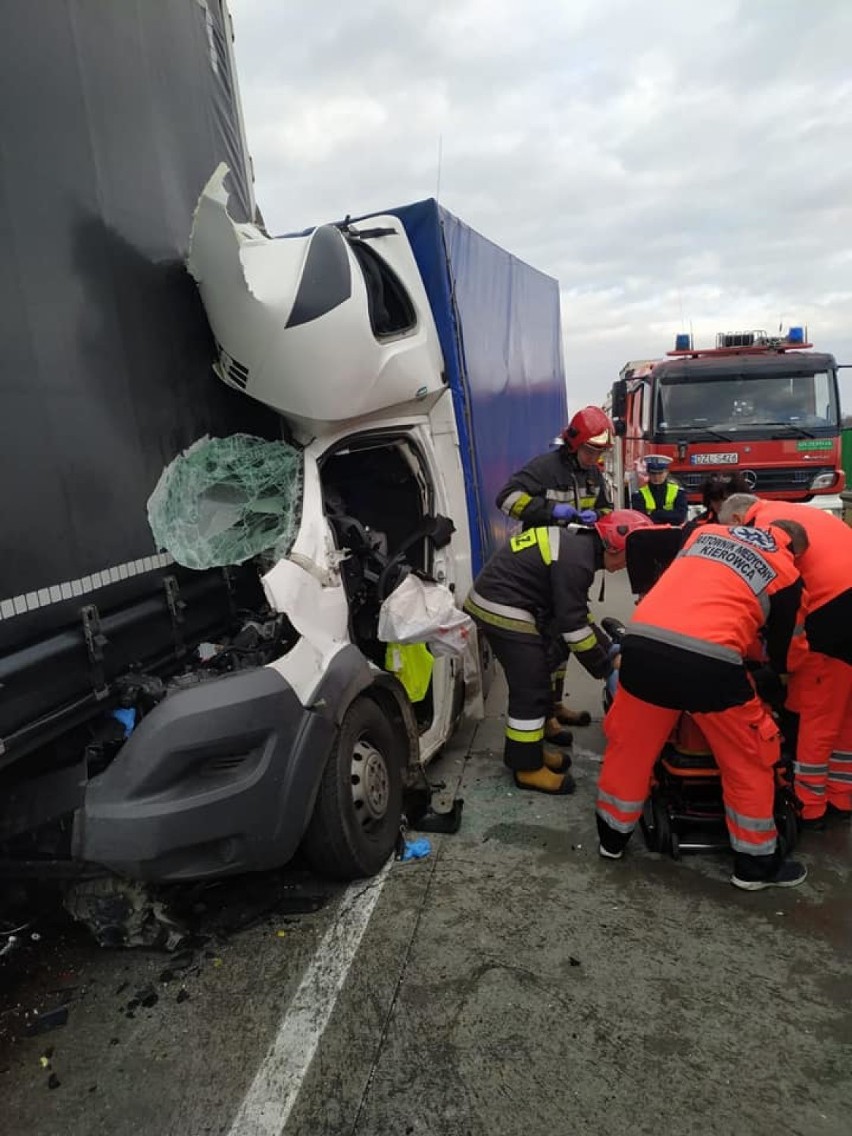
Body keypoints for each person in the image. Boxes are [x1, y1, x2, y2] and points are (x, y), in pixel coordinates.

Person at [596, 516, 811, 890]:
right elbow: (784, 654)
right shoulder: (785, 569)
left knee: (629, 747)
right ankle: (755, 867)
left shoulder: (706, 533)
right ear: (792, 548)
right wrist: (774, 677)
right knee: (749, 756)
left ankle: (611, 839)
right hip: (709, 663)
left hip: (642, 642)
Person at [464, 511, 653, 795]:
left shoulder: (579, 548)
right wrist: (607, 666)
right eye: (628, 557)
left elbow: (577, 613)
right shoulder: (578, 561)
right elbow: (574, 627)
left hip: (507, 598)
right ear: (614, 547)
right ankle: (526, 768)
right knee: (531, 684)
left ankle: (531, 751)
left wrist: (610, 648)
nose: (626, 566)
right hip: (500, 604)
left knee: (538, 675)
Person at [717, 493, 852, 829]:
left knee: (815, 714)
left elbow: (784, 605)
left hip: (833, 611)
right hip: (843, 601)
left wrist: (781, 666)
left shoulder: (763, 531)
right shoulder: (789, 511)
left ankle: (808, 805)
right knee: (844, 706)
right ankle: (841, 795)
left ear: (736, 520)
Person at [495, 406, 615, 739]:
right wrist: (552, 511)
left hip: (572, 566)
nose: (595, 457)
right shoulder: (545, 468)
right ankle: (545, 715)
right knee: (548, 644)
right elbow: (506, 500)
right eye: (591, 450)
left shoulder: (592, 475)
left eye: (600, 452)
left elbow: (605, 508)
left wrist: (600, 519)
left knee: (563, 645)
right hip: (544, 570)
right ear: (574, 443)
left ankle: (556, 704)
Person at [630, 455, 688, 525]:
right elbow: (641, 520)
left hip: (672, 533)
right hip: (648, 533)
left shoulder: (678, 492)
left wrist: (655, 514)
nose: (656, 477)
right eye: (653, 473)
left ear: (667, 472)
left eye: (660, 473)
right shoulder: (638, 495)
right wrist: (668, 515)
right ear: (648, 473)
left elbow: (680, 517)